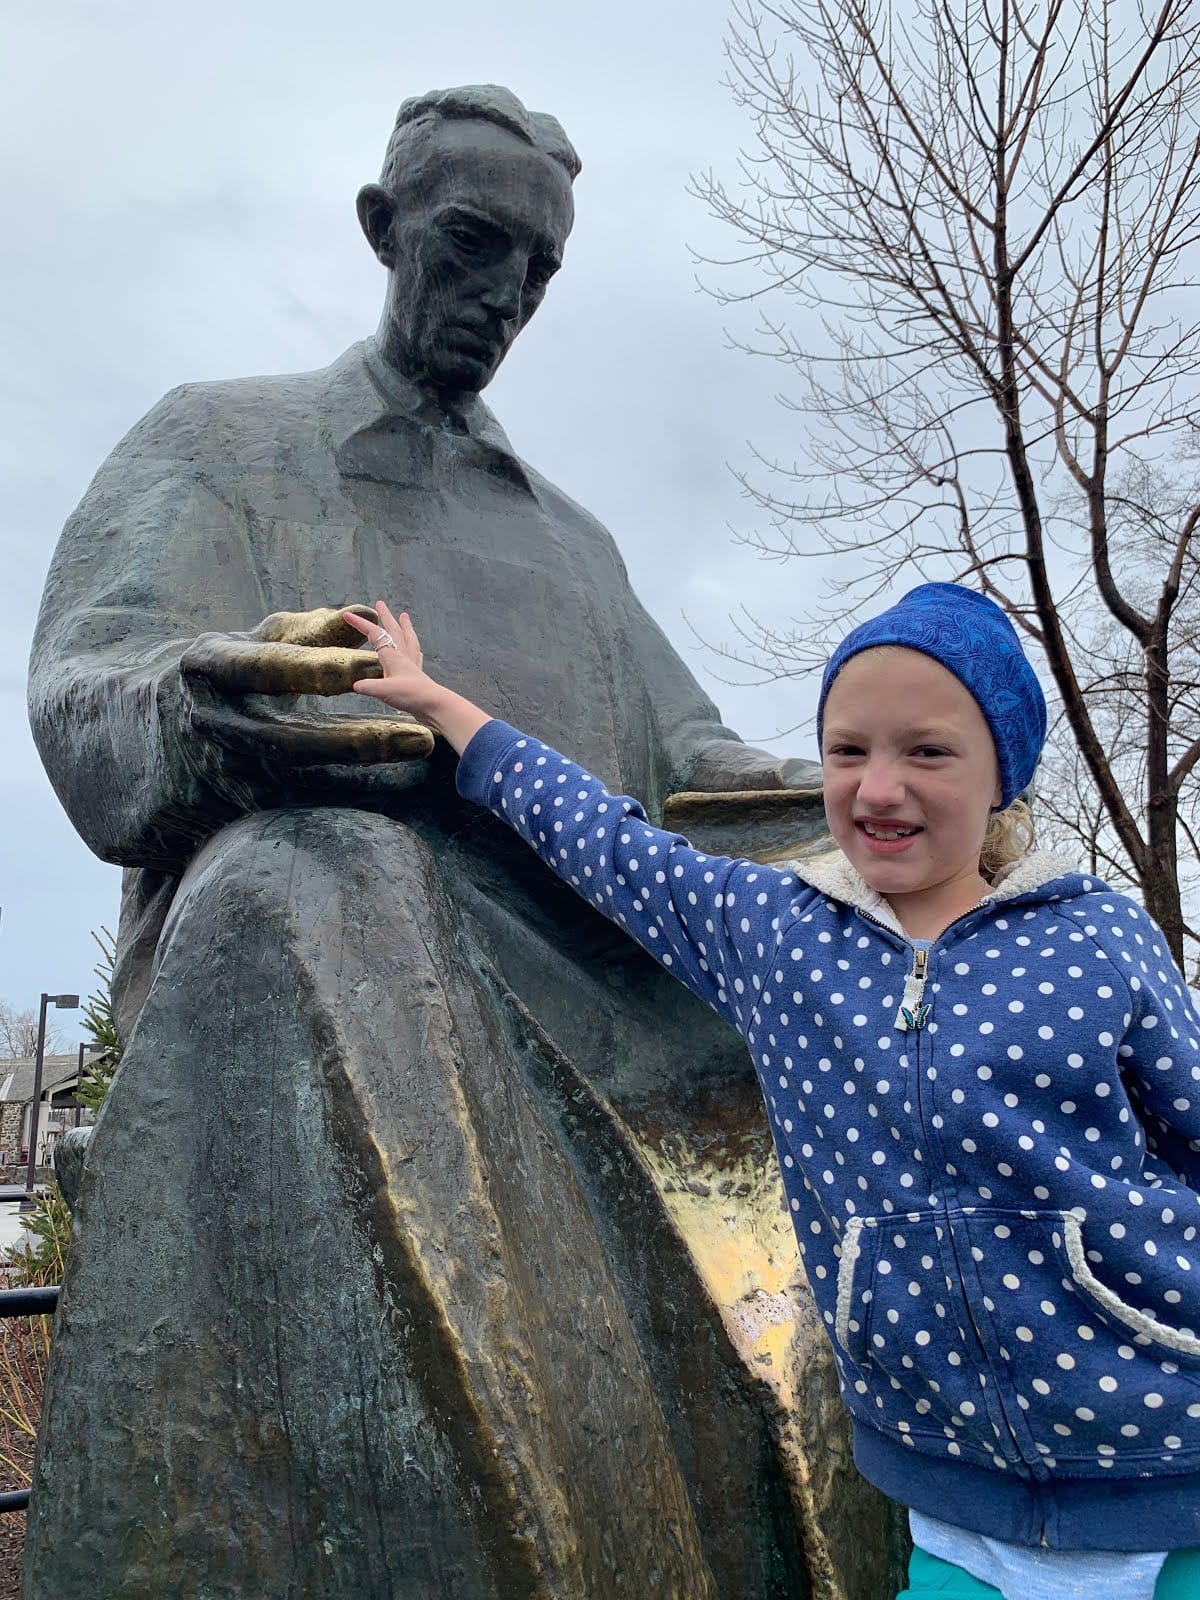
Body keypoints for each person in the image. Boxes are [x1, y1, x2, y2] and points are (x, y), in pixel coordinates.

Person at [28, 86, 867, 1599]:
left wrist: (898, 797)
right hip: (317, 986)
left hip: (595, 1025)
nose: (502, 300)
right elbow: (86, 687)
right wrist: (196, 712)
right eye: (473, 248)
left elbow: (699, 777)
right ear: (383, 229)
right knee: (323, 873)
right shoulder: (221, 442)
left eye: (538, 275)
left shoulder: (570, 540)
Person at [343, 586, 1200, 1600]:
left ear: (1001, 773)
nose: (879, 787)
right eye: (849, 750)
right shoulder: (779, 936)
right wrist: (445, 710)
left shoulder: (1095, 937)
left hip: (1163, 1466)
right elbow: (611, 846)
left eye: (927, 751)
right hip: (954, 1512)